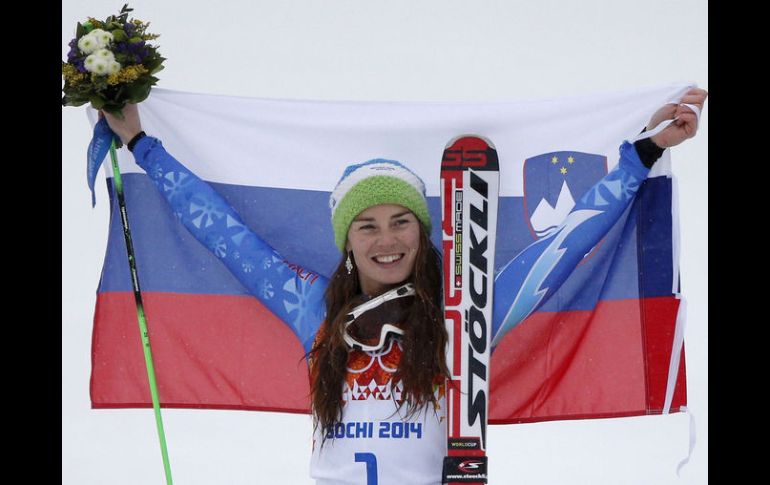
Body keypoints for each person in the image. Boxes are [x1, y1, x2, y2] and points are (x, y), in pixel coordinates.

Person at [101, 87, 707, 485]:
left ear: (423, 234)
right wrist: (138, 143)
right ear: (347, 240)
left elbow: (564, 245)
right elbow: (224, 233)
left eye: (400, 222)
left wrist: (644, 152)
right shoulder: (312, 307)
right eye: (366, 226)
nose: (385, 239)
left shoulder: (464, 312)